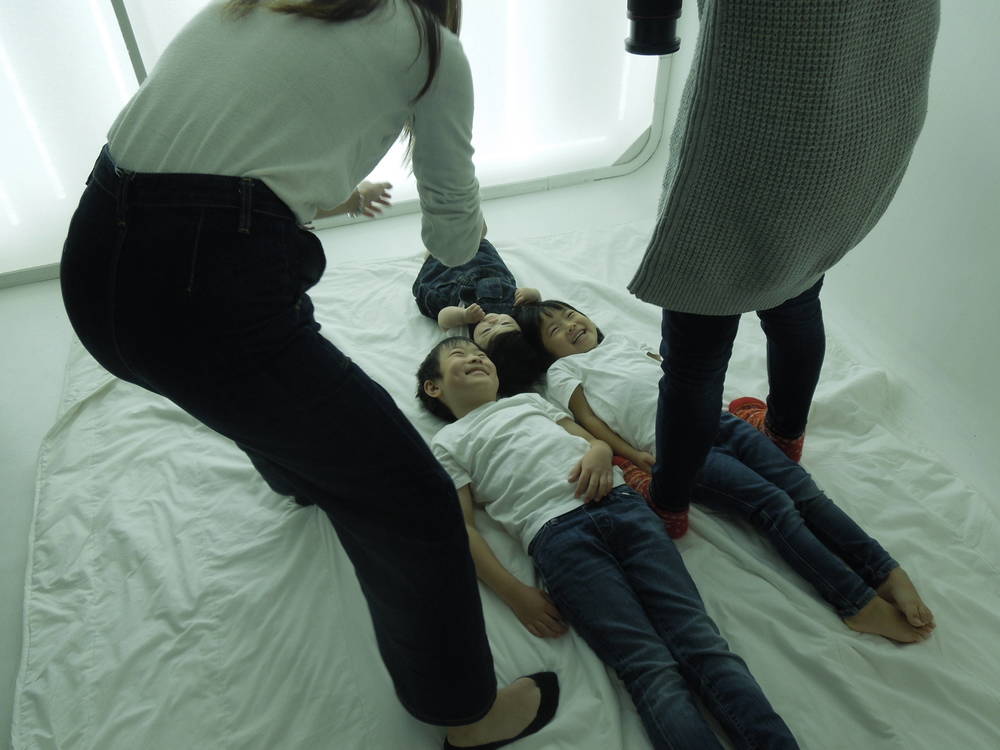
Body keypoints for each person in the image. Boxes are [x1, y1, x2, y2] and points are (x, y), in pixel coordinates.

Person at [58, 1, 558, 747]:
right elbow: (453, 240)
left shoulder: (253, 4)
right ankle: (467, 715)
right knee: (414, 498)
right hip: (201, 299)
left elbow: (219, 161)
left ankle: (295, 477)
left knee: (268, 362)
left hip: (95, 274)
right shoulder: (432, 49)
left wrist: (335, 193)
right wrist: (472, 225)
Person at [626, 1, 941, 517]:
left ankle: (668, 503)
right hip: (858, 133)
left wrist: (651, 28)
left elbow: (655, 27)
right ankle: (784, 436)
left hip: (757, 131)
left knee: (695, 351)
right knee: (796, 292)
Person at [417, 335, 800, 750]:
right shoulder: (447, 443)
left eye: (480, 354)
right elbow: (461, 528)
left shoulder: (529, 401)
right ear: (434, 386)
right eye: (460, 355)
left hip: (622, 506)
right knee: (648, 666)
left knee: (703, 642)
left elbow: (591, 439)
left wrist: (601, 452)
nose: (476, 357)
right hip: (557, 537)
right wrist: (514, 593)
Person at [510, 300, 936, 642]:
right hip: (676, 446)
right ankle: (855, 601)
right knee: (773, 505)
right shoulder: (564, 371)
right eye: (555, 330)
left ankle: (883, 569)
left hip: (721, 420)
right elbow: (590, 422)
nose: (570, 325)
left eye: (570, 314)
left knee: (803, 489)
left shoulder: (620, 342)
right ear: (547, 353)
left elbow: (678, 372)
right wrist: (631, 455)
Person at [412, 234, 540, 347]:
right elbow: (537, 303)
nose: (494, 321)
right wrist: (532, 294)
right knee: (477, 241)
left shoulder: (466, 335)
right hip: (486, 267)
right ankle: (472, 230)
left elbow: (443, 318)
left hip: (447, 280)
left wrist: (463, 316)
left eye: (486, 331)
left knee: (435, 257)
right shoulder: (519, 315)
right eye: (505, 323)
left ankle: (434, 247)